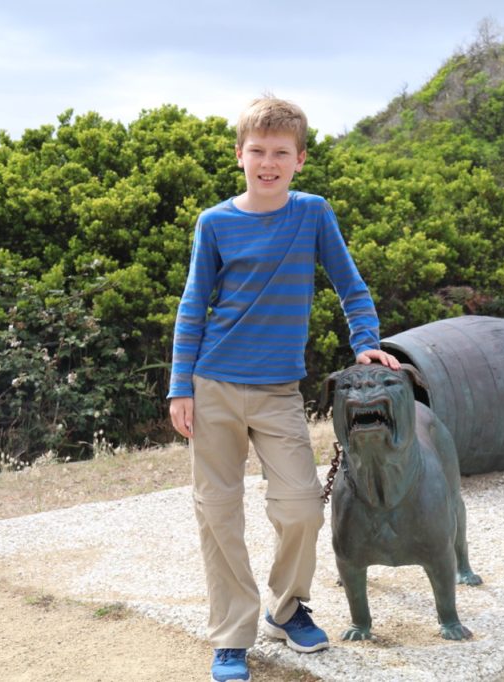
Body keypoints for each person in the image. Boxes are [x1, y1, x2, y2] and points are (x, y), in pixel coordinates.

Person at [167, 96, 399, 682]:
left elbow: (351, 285)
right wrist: (180, 385)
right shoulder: (214, 222)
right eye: (257, 151)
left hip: (277, 392)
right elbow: (194, 305)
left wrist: (365, 340)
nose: (267, 163)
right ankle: (230, 636)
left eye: (280, 153)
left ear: (299, 160)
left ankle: (287, 607)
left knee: (299, 507)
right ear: (240, 155)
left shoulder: (313, 213)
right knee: (218, 512)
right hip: (213, 383)